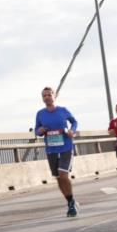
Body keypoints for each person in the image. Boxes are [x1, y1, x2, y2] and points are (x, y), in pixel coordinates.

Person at [34, 86, 80, 217]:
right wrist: (40, 131)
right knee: (59, 178)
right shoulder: (40, 114)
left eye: (49, 95)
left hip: (66, 147)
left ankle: (71, 204)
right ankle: (70, 201)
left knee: (63, 175)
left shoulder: (63, 110)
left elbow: (74, 122)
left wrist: (72, 131)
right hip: (51, 149)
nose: (47, 97)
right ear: (42, 98)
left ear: (54, 96)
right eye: (44, 96)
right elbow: (37, 130)